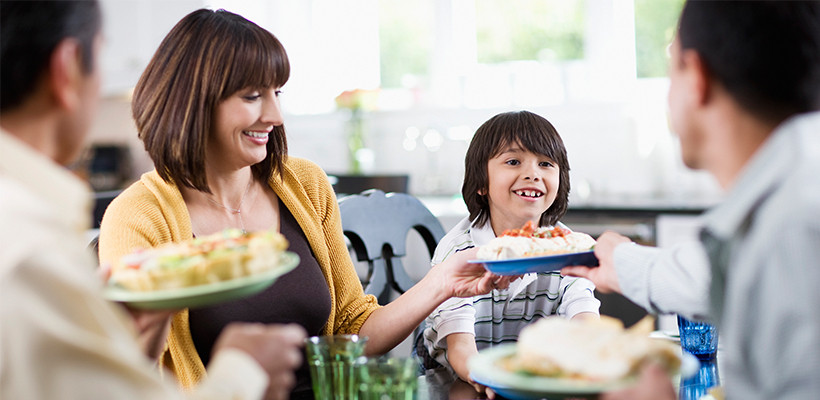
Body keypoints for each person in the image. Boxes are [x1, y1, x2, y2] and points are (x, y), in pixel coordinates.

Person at [97, 8, 511, 399]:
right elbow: (123, 375)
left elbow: (351, 332)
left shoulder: (304, 184)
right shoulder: (138, 216)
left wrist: (444, 280)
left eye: (276, 93)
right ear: (194, 101)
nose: (275, 114)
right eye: (252, 96)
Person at [0, 2, 307, 400]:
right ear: (69, 67)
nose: (275, 115)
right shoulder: (29, 250)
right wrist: (243, 370)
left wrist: (114, 337)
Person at [562, 2, 820, 399]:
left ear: (696, 76)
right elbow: (710, 275)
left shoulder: (793, 226)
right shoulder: (791, 194)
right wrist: (627, 262)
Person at [418, 111, 600, 395]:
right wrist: (486, 377)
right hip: (457, 384)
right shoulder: (459, 251)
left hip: (532, 382)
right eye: (513, 161)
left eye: (545, 164)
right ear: (481, 182)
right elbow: (461, 347)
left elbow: (584, 314)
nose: (533, 174)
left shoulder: (566, 246)